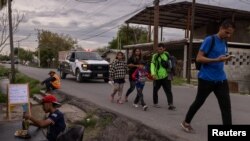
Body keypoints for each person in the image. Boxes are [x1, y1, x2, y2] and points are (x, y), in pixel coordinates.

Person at [181, 20, 235, 133]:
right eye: (227, 32)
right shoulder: (210, 40)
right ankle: (186, 122)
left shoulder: (225, 42)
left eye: (230, 33)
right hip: (206, 79)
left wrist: (226, 58)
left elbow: (221, 56)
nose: (228, 35)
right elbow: (199, 58)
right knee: (199, 102)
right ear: (221, 28)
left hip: (221, 79)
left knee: (226, 107)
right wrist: (217, 59)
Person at [150, 43, 176, 110]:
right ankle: (155, 103)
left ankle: (170, 104)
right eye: (158, 49)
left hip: (166, 76)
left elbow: (170, 64)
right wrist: (153, 74)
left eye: (161, 49)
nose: (159, 50)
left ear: (164, 49)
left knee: (168, 90)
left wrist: (171, 72)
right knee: (155, 90)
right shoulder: (155, 56)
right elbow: (152, 64)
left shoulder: (167, 54)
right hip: (157, 77)